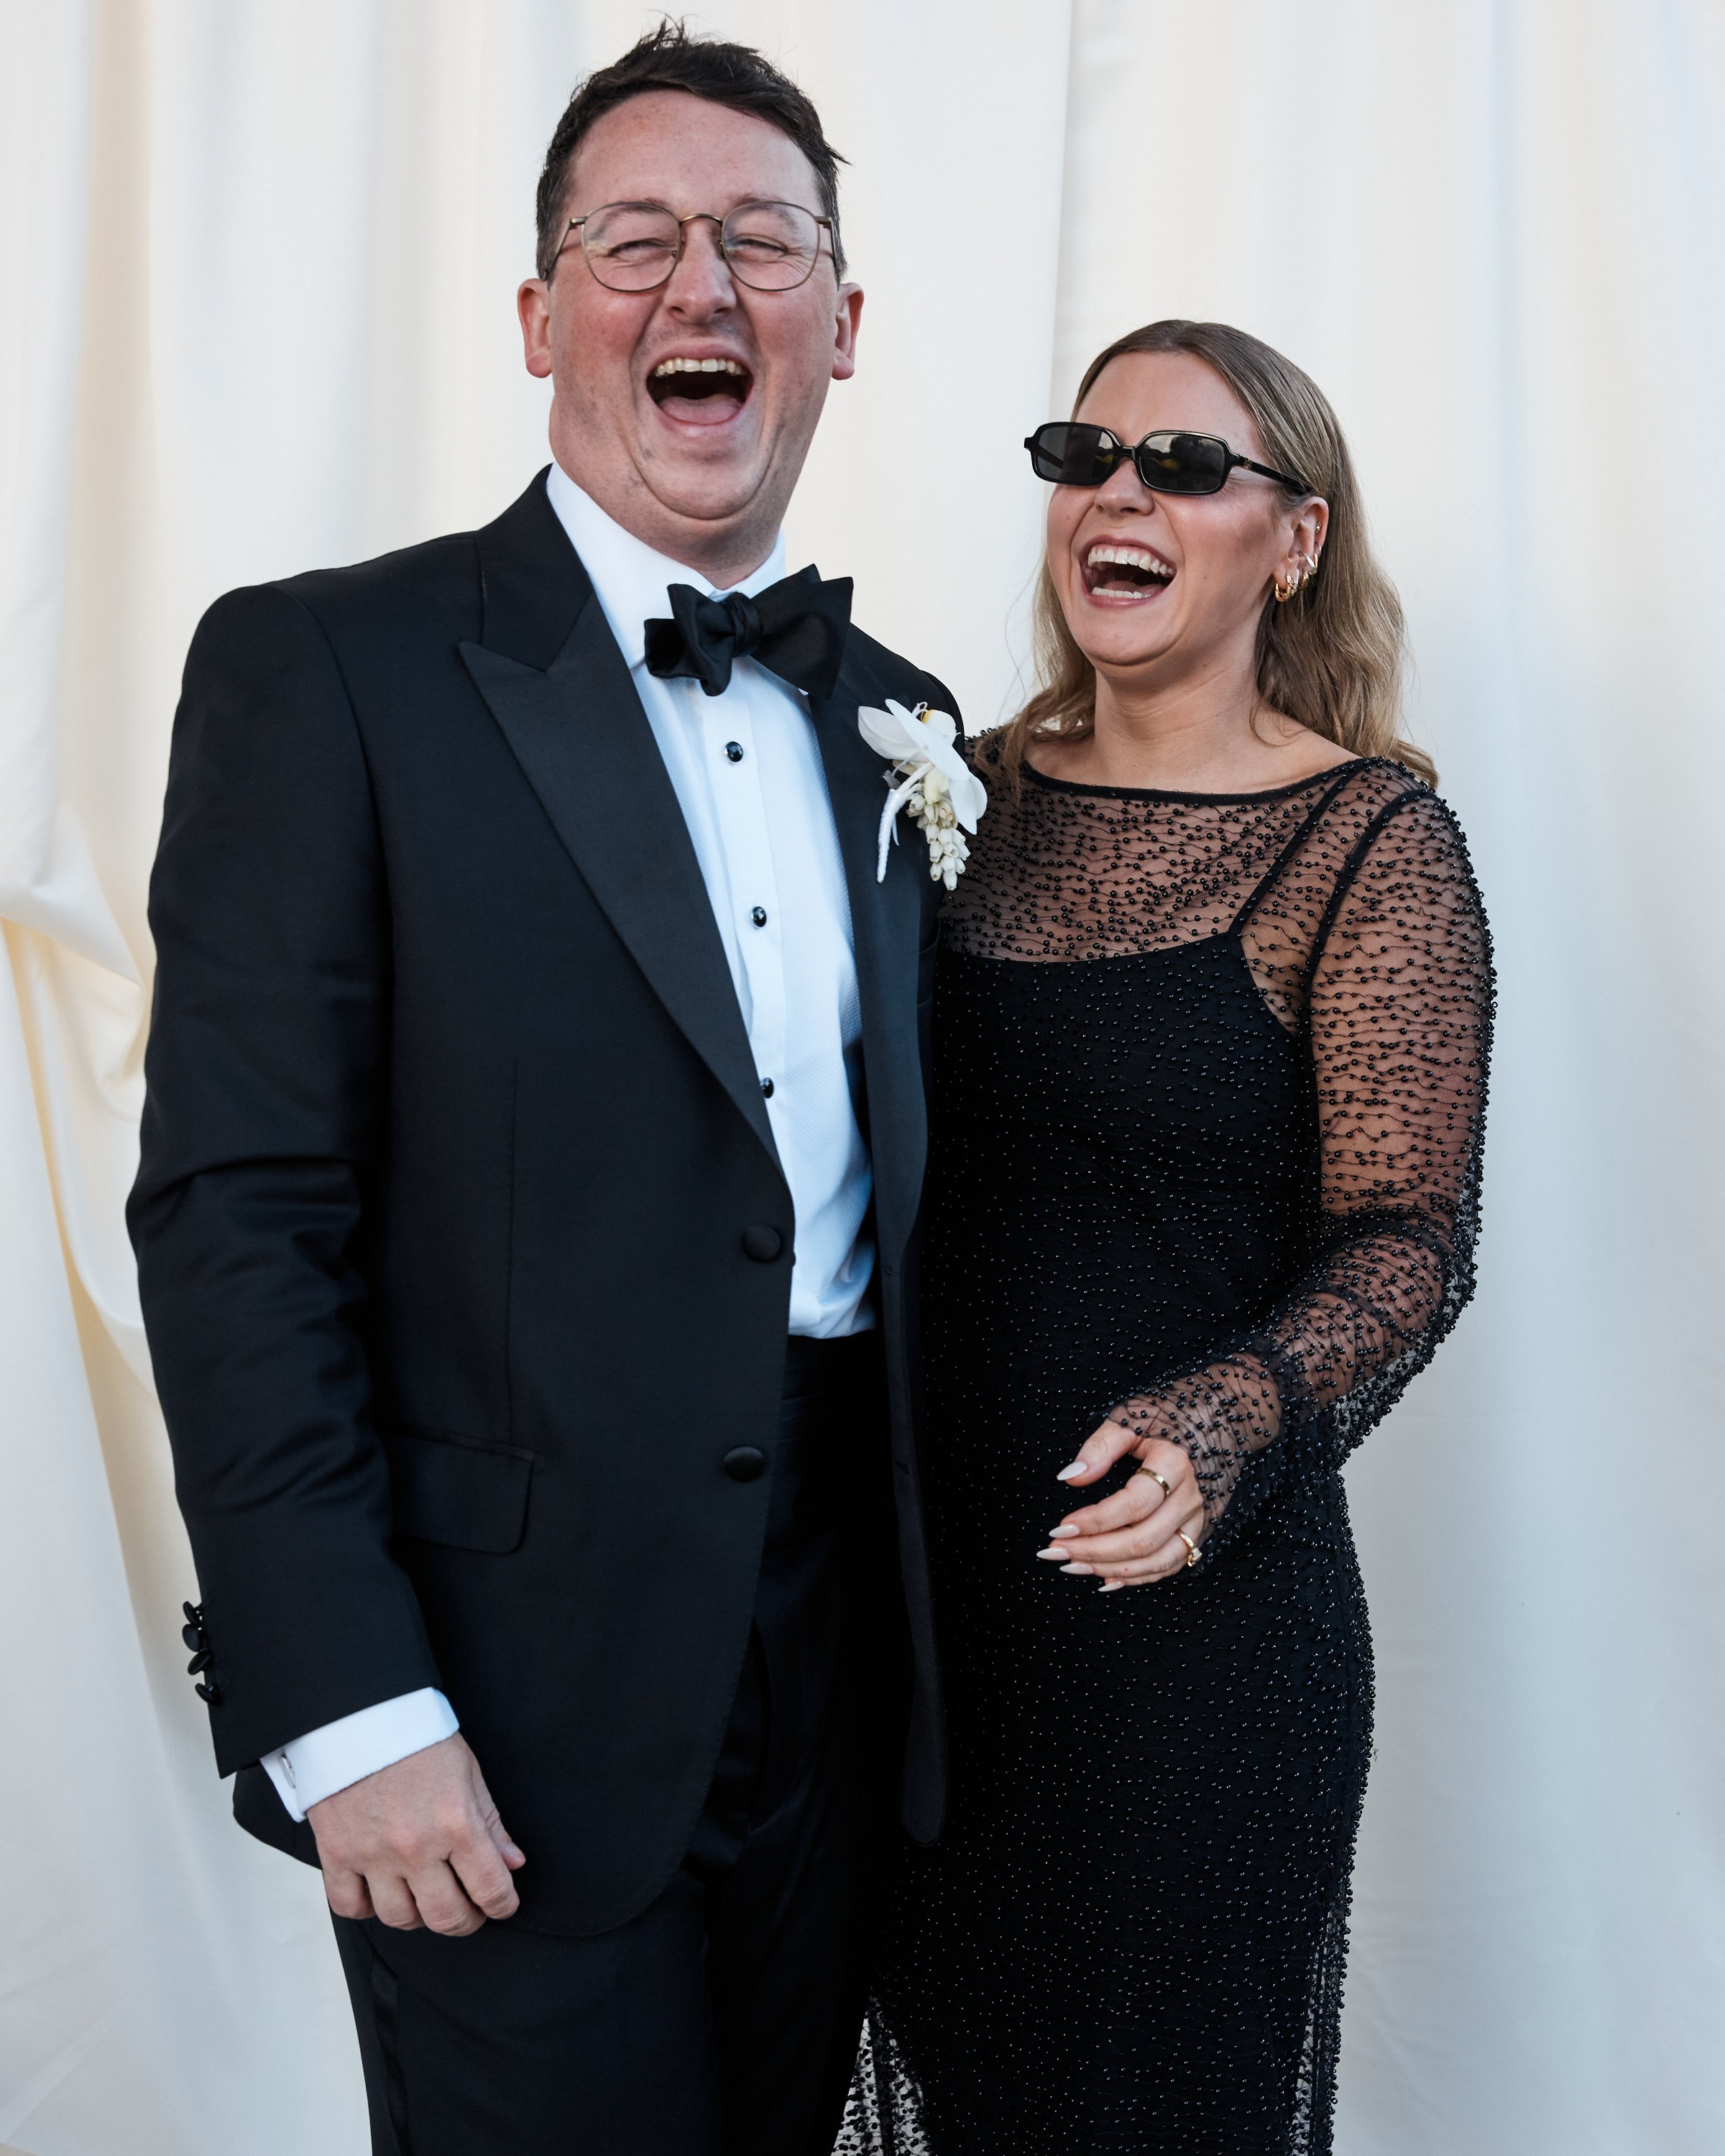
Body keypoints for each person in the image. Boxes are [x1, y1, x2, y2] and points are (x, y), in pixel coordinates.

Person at [128, 26, 956, 2156]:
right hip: (494, 1699)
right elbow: (239, 1213)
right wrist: (345, 1702)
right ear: (536, 315)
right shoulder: (327, 669)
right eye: (637, 240)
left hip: (843, 1683)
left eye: (764, 244)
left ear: (842, 326)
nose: (704, 288)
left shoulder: (903, 716)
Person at [855, 321, 1493, 2155]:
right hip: (916, 1625)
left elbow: (1411, 1238)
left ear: (1291, 538)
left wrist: (1229, 1420)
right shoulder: (949, 791)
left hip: (1191, 1641)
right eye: (1088, 452)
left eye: (1186, 466)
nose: (1118, 493)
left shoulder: (1371, 842)